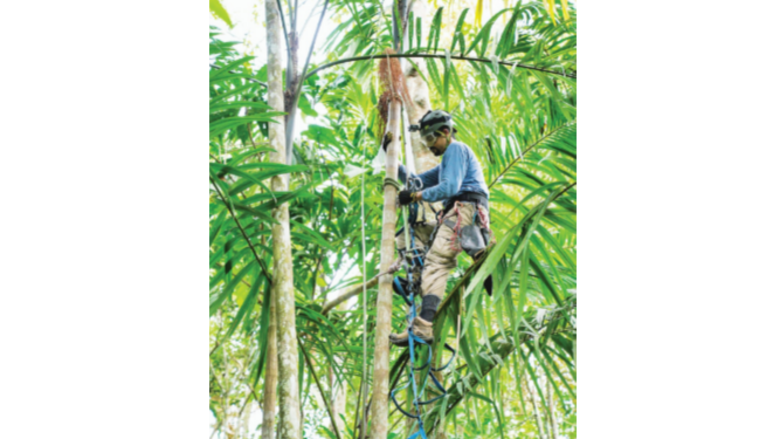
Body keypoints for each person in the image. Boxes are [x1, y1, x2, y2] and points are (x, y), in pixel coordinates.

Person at [387, 110, 491, 347]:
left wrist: (414, 196)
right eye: (425, 142)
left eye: (431, 139)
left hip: (464, 207)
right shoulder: (446, 161)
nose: (429, 146)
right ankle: (415, 279)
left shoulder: (456, 149)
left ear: (445, 132)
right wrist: (391, 157)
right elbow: (417, 181)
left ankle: (423, 325)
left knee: (438, 261)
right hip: (458, 212)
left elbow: (449, 187)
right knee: (417, 233)